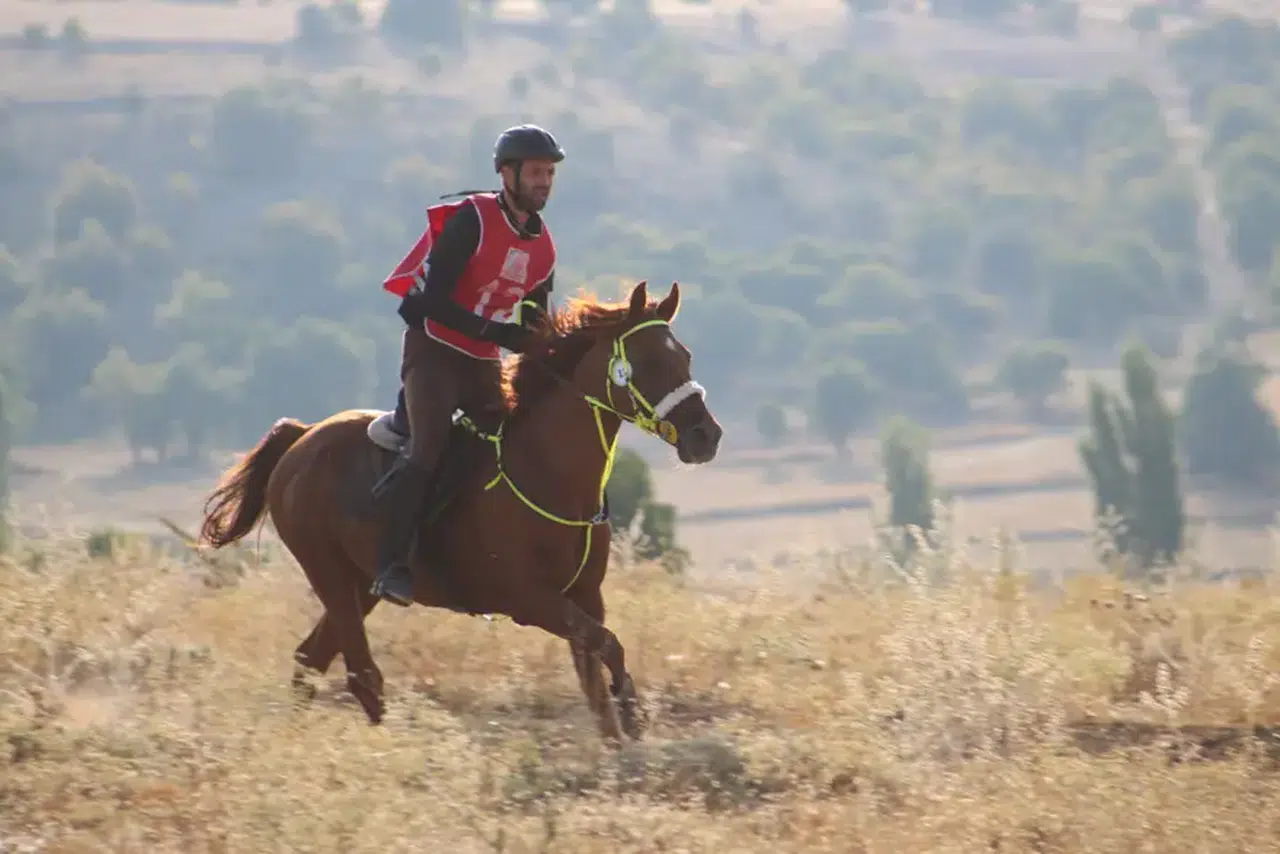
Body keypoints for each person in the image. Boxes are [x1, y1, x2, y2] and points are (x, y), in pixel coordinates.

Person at [370, 124, 564, 607]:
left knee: (515, 446)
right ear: (507, 173)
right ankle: (389, 564)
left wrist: (548, 350)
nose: (545, 182)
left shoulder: (545, 250)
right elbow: (433, 301)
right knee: (429, 447)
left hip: (481, 365)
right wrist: (498, 333)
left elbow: (533, 319)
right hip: (434, 352)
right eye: (537, 172)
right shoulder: (472, 219)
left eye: (550, 174)